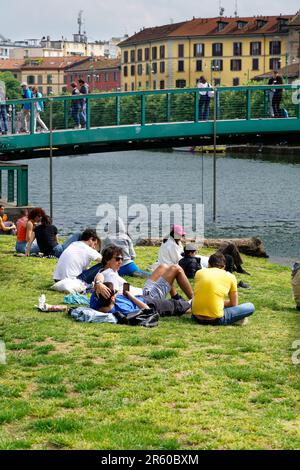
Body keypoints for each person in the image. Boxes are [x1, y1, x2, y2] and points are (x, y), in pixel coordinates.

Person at [192, 252, 255, 326]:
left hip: (196, 316)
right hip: (215, 319)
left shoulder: (199, 273)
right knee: (250, 306)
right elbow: (234, 304)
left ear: (209, 264)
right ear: (224, 266)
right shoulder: (230, 276)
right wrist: (223, 303)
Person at [90, 281, 192, 320]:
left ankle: (185, 302)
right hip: (150, 304)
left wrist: (98, 284)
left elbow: (98, 280)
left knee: (176, 302)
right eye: (115, 292)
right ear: (112, 298)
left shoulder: (95, 303)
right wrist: (130, 296)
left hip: (144, 298)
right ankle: (195, 306)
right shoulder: (122, 309)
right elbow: (147, 310)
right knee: (178, 306)